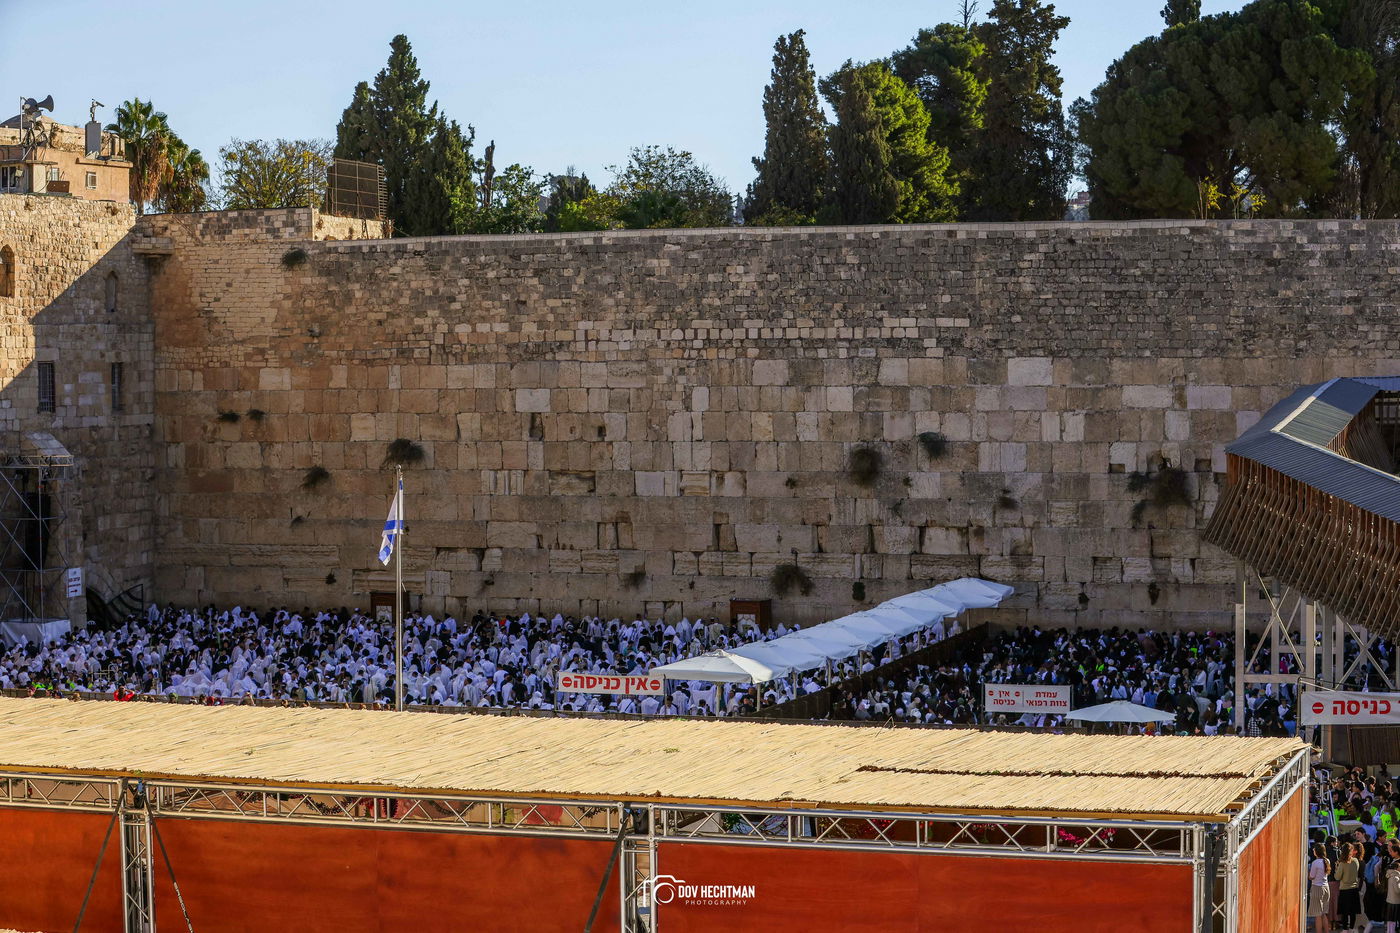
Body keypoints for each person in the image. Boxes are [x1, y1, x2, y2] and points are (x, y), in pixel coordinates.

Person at [1338, 842, 1362, 932]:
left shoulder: (1342, 863)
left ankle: (1345, 929)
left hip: (1344, 889)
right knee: (1353, 911)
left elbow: (1337, 877)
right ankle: (1352, 928)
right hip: (1354, 889)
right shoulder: (1355, 861)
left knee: (1345, 911)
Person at [1310, 843, 1332, 933]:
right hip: (1326, 888)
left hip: (1317, 888)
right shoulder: (1327, 860)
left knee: (1317, 915)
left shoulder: (1315, 863)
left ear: (1316, 851)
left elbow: (1311, 876)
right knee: (1324, 914)